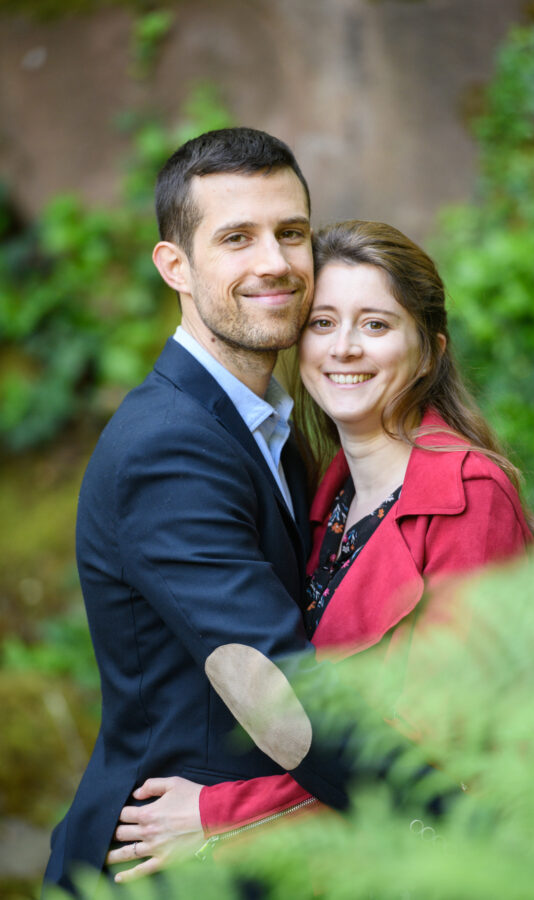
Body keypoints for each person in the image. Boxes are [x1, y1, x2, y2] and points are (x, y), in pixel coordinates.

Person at [106, 219, 534, 881]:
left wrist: (226, 814)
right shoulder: (320, 491)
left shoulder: (467, 496)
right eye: (322, 323)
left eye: (376, 325)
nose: (344, 348)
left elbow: (440, 736)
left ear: (429, 352)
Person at [44, 129, 372, 896]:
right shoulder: (169, 449)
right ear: (175, 267)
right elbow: (282, 696)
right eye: (236, 238)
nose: (275, 262)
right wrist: (448, 813)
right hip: (166, 863)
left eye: (291, 232)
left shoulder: (270, 423)